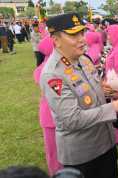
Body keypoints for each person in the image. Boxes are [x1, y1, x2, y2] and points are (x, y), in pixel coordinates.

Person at [40, 13, 118, 178]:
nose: (82, 39)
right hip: (83, 154)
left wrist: (108, 92)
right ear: (56, 40)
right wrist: (114, 107)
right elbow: (71, 119)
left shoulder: (83, 59)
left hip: (106, 142)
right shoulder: (53, 74)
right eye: (73, 35)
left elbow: (90, 88)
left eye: (82, 33)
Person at [33, 36, 62, 176]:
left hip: (52, 113)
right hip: (52, 115)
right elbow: (59, 93)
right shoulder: (48, 68)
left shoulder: (46, 65)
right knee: (54, 150)